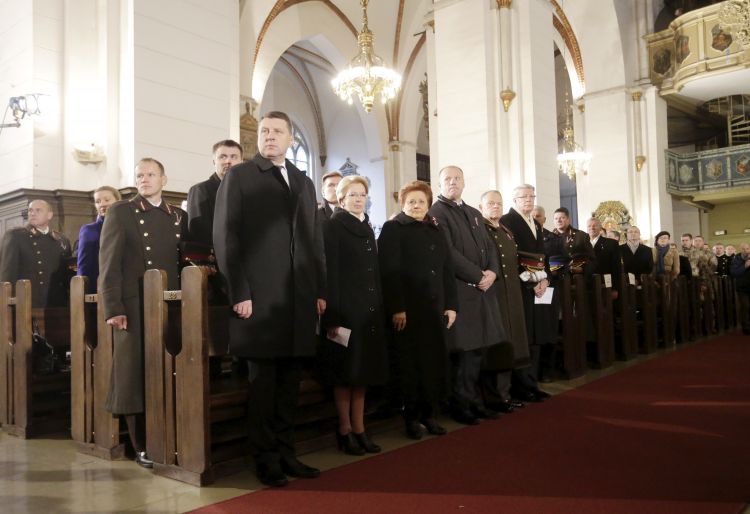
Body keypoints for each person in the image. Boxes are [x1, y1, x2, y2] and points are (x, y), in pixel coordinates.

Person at [212, 111, 326, 488]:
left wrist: (319, 290)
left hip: (298, 298)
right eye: (264, 131)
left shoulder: (303, 181)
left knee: (290, 384)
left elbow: (313, 240)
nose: (270, 136)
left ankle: (287, 453)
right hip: (258, 300)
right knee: (263, 386)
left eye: (278, 131)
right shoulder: (240, 176)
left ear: (291, 138)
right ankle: (265, 459)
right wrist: (239, 292)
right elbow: (226, 237)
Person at [99, 158, 187, 469]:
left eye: (151, 174)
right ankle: (142, 445)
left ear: (164, 179)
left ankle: (171, 436)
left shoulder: (177, 215)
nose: (144, 179)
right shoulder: (121, 211)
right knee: (134, 375)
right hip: (133, 306)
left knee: (167, 370)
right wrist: (113, 308)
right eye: (139, 175)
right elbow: (108, 263)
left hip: (170, 303)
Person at [378, 180, 458, 439]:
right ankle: (411, 418)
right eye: (411, 201)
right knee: (409, 367)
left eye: (421, 201)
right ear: (402, 204)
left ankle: (429, 414)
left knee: (432, 364)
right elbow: (389, 271)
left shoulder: (436, 229)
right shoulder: (393, 228)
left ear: (428, 204)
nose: (416, 205)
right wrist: (397, 307)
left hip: (434, 309)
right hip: (408, 311)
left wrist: (451, 305)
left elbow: (447, 269)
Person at [428, 166, 505, 425]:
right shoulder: (437, 212)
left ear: (464, 183)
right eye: (447, 179)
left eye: (457, 178)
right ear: (439, 184)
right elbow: (448, 252)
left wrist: (492, 272)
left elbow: (490, 246)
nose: (453, 182)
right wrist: (478, 276)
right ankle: (461, 406)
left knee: (478, 353)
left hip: (482, 293)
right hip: (462, 292)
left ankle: (475, 402)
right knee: (464, 355)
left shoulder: (473, 212)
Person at [319, 175, 388, 455]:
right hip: (344, 311)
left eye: (362, 194)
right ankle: (345, 429)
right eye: (352, 195)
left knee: (362, 373)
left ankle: (360, 428)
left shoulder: (366, 226)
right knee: (344, 374)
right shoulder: (333, 225)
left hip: (367, 312)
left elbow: (374, 272)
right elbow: (330, 273)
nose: (358, 199)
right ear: (341, 198)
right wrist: (332, 318)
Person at [500, 184, 551, 402]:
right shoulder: (507, 221)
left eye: (531, 196)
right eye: (524, 197)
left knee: (536, 335)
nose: (528, 200)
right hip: (521, 286)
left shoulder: (536, 223)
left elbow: (542, 255)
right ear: (515, 200)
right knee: (523, 336)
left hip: (539, 286)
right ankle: (520, 386)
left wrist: (545, 279)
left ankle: (532, 382)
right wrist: (531, 282)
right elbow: (511, 257)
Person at [479, 190, 530, 409]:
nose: (495, 206)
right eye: (490, 203)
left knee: (511, 344)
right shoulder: (480, 230)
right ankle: (495, 397)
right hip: (492, 296)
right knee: (497, 346)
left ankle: (506, 393)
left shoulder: (506, 231)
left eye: (499, 203)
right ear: (481, 207)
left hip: (511, 296)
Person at [0, 199, 72, 307]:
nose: (33, 213)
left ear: (49, 215)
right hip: (27, 303)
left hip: (57, 303)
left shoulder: (61, 240)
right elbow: (7, 274)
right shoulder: (15, 236)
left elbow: (66, 275)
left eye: (38, 210)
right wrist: (8, 305)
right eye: (30, 210)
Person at [186, 140, 243, 248]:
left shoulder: (248, 190)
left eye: (234, 157)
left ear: (241, 162)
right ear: (214, 161)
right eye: (222, 157)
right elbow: (198, 234)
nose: (228, 161)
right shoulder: (200, 190)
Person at [76, 186, 121, 293]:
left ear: (118, 202)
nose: (102, 204)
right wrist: (83, 291)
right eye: (98, 201)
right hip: (99, 289)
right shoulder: (89, 230)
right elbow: (84, 265)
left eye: (107, 200)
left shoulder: (128, 225)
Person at [587, 217, 622, 295]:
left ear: (600, 228)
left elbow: (616, 268)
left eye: (595, 225)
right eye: (589, 226)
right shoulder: (582, 244)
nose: (592, 228)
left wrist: (615, 288)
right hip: (586, 286)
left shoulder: (611, 243)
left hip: (606, 286)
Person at [730, 243, 750, 335]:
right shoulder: (736, 259)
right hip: (742, 288)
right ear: (740, 250)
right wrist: (745, 266)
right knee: (745, 307)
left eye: (747, 248)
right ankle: (746, 327)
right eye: (743, 249)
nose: (745, 250)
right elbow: (734, 272)